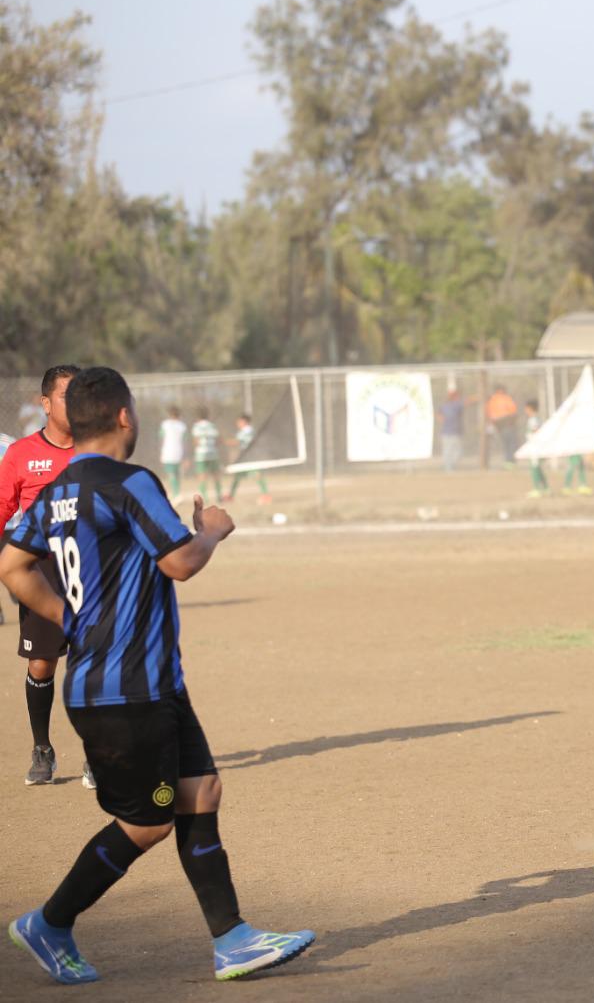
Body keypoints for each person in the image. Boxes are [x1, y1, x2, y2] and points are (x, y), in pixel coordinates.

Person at [0, 367, 315, 985]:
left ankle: (233, 940)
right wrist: (212, 532)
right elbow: (179, 563)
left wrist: (68, 618)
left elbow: (12, 563)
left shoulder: (59, 488)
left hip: (150, 681)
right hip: (125, 691)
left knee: (201, 791)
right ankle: (50, 922)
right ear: (123, 416)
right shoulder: (130, 482)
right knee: (147, 821)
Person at [0, 365, 81, 787]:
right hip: (40, 568)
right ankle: (42, 749)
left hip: (90, 565)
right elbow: (1, 507)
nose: (78, 400)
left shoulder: (96, 449)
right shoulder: (20, 454)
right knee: (42, 661)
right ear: (46, 403)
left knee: (95, 660)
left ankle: (96, 754)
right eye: (68, 394)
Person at [224, 414, 270, 504]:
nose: (237, 423)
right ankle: (231, 496)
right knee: (238, 476)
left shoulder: (245, 431)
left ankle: (266, 495)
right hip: (247, 456)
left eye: (239, 421)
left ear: (244, 421)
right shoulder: (251, 430)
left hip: (249, 457)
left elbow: (236, 442)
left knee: (257, 475)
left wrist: (223, 441)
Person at [190, 409, 222, 504]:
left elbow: (196, 441)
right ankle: (219, 495)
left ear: (197, 417)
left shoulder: (196, 426)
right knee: (216, 475)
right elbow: (217, 440)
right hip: (213, 453)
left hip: (201, 454)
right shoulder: (212, 426)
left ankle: (205, 497)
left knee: (202, 475)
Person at [523, 400, 552, 497]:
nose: (525, 410)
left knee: (535, 468)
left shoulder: (533, 419)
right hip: (535, 446)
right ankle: (546, 488)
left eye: (526, 408)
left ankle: (537, 489)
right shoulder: (535, 419)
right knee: (538, 468)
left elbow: (536, 430)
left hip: (535, 446)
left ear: (530, 408)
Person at [486, 385, 519, 465]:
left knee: (508, 443)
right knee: (509, 443)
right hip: (504, 424)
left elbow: (489, 414)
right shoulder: (504, 399)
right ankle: (510, 461)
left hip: (502, 425)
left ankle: (509, 461)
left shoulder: (493, 400)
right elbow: (513, 412)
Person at [159, 406, 187, 495]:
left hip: (167, 452)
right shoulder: (182, 426)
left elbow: (161, 438)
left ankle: (176, 493)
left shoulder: (164, 424)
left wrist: (160, 451)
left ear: (169, 414)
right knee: (177, 473)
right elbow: (185, 441)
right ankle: (177, 491)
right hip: (179, 452)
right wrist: (185, 455)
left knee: (171, 474)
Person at [438, 387, 465, 472]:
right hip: (447, 432)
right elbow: (439, 415)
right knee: (447, 451)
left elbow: (466, 402)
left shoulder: (456, 405)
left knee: (458, 452)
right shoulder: (446, 405)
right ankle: (448, 468)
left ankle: (449, 466)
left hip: (455, 432)